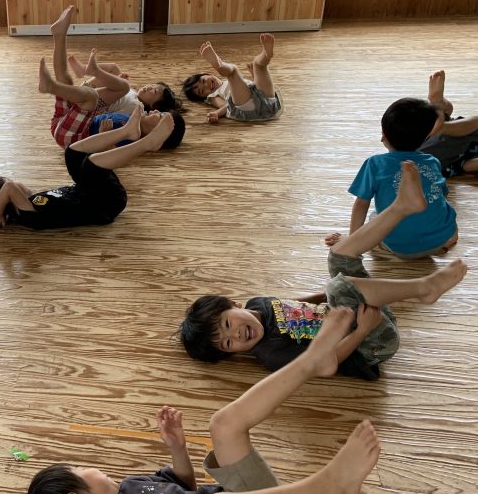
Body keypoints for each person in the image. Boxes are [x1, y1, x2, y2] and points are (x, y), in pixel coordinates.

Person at [18, 308, 381, 494]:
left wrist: (177, 447)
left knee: (223, 425)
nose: (89, 467)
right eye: (80, 470)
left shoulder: (131, 488)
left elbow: (183, 485)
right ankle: (331, 484)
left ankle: (311, 362)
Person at [179, 162, 468, 379]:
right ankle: (424, 289)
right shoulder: (271, 353)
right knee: (339, 286)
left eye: (227, 324)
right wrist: (362, 328)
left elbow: (294, 305)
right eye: (228, 344)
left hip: (360, 312)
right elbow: (325, 364)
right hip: (372, 343)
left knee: (339, 255)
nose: (237, 335)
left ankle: (402, 207)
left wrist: (335, 290)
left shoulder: (258, 304)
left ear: (233, 304)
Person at [0, 105, 183, 231]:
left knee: (72, 154)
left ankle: (127, 132)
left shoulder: (33, 201)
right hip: (104, 206)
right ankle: (147, 144)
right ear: (6, 205)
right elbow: (10, 188)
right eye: (5, 195)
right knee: (91, 165)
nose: (17, 184)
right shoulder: (30, 217)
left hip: (92, 195)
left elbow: (12, 188)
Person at [45, 5, 179, 148]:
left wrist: (104, 135)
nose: (156, 111)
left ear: (156, 132)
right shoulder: (134, 115)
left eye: (160, 115)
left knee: (110, 91)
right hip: (64, 122)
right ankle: (59, 36)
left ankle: (90, 74)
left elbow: (106, 152)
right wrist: (115, 81)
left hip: (74, 135)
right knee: (65, 81)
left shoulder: (132, 131)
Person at [346, 95, 458, 258]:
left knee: (375, 217)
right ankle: (449, 237)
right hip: (439, 240)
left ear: (383, 136)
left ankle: (378, 246)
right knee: (442, 204)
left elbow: (361, 204)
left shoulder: (375, 164)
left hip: (399, 247)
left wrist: (351, 242)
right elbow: (442, 195)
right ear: (425, 139)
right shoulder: (432, 161)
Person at [182, 35, 282, 124]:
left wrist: (254, 75)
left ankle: (266, 55)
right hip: (248, 109)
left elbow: (252, 90)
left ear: (209, 74)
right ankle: (219, 65)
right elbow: (226, 105)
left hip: (268, 102)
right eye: (202, 91)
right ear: (205, 97)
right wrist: (217, 113)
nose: (206, 85)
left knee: (258, 64)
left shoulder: (233, 84)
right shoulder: (213, 96)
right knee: (233, 71)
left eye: (203, 81)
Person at [416, 70, 478, 178]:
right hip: (427, 144)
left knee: (449, 115)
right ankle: (438, 107)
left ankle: (438, 109)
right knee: (447, 114)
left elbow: (468, 165)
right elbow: (468, 166)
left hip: (445, 137)